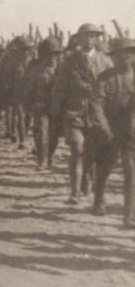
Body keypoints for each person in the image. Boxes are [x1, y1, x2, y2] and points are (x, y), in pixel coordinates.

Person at [50, 23, 113, 205]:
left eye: (93, 36)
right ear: (78, 38)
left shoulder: (105, 61)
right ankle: (75, 192)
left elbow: (111, 89)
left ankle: (87, 180)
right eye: (86, 36)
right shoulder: (69, 61)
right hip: (74, 113)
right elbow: (59, 89)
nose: (89, 39)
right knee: (77, 149)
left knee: (92, 153)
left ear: (97, 38)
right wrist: (56, 112)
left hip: (97, 115)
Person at [89, 37, 135, 224]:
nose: (123, 58)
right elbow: (96, 104)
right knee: (105, 167)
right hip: (108, 129)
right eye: (118, 55)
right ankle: (99, 201)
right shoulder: (104, 77)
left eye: (128, 54)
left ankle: (128, 215)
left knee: (131, 169)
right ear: (114, 57)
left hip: (130, 130)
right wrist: (105, 128)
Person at [24, 36, 62, 168]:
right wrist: (28, 104)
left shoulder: (63, 70)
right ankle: (42, 159)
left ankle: (50, 156)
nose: (52, 57)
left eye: (55, 54)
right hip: (41, 105)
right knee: (41, 132)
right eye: (49, 54)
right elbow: (29, 88)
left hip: (57, 107)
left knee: (54, 134)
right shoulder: (37, 70)